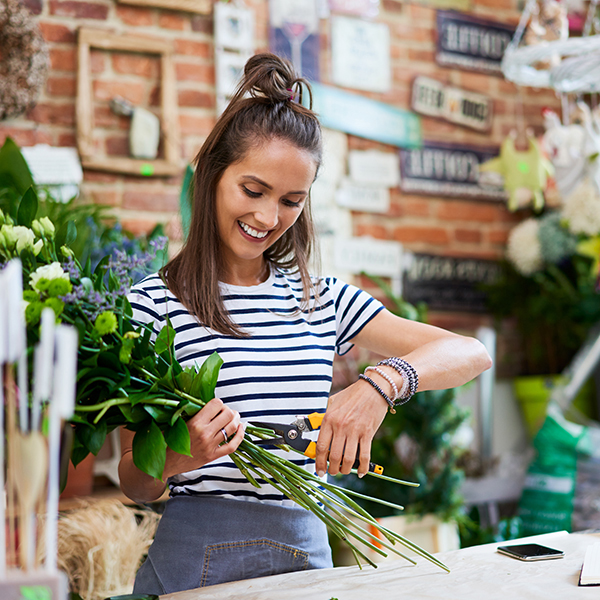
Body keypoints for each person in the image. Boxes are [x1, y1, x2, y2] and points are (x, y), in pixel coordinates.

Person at [118, 52, 492, 595]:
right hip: (190, 568)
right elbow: (134, 481)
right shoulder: (150, 306)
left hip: (305, 562)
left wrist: (378, 386)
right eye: (253, 190)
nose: (268, 218)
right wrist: (183, 454)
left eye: (291, 200)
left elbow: (471, 352)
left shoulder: (321, 301)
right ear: (211, 174)